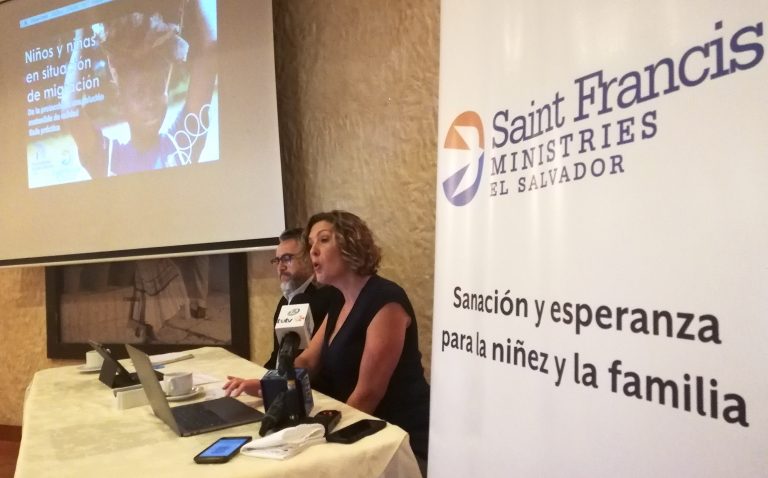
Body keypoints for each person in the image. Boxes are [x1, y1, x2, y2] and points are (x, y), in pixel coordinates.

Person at [224, 211, 431, 461]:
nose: (313, 251)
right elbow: (308, 362)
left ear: (351, 243)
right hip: (357, 427)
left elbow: (367, 394)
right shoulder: (339, 301)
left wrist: (322, 440)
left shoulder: (386, 301)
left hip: (398, 439)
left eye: (323, 240)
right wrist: (266, 386)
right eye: (311, 244)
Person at [62, 0, 217, 177]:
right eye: (139, 94)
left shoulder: (181, 145)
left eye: (157, 89)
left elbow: (210, 55)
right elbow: (70, 111)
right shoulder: (109, 160)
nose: (150, 102)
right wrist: (81, 30)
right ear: (121, 103)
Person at [262, 228, 340, 369]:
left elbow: (320, 362)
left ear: (309, 258)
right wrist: (260, 377)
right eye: (277, 260)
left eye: (287, 259)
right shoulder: (284, 301)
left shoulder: (329, 297)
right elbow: (277, 356)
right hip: (283, 378)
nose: (280, 267)